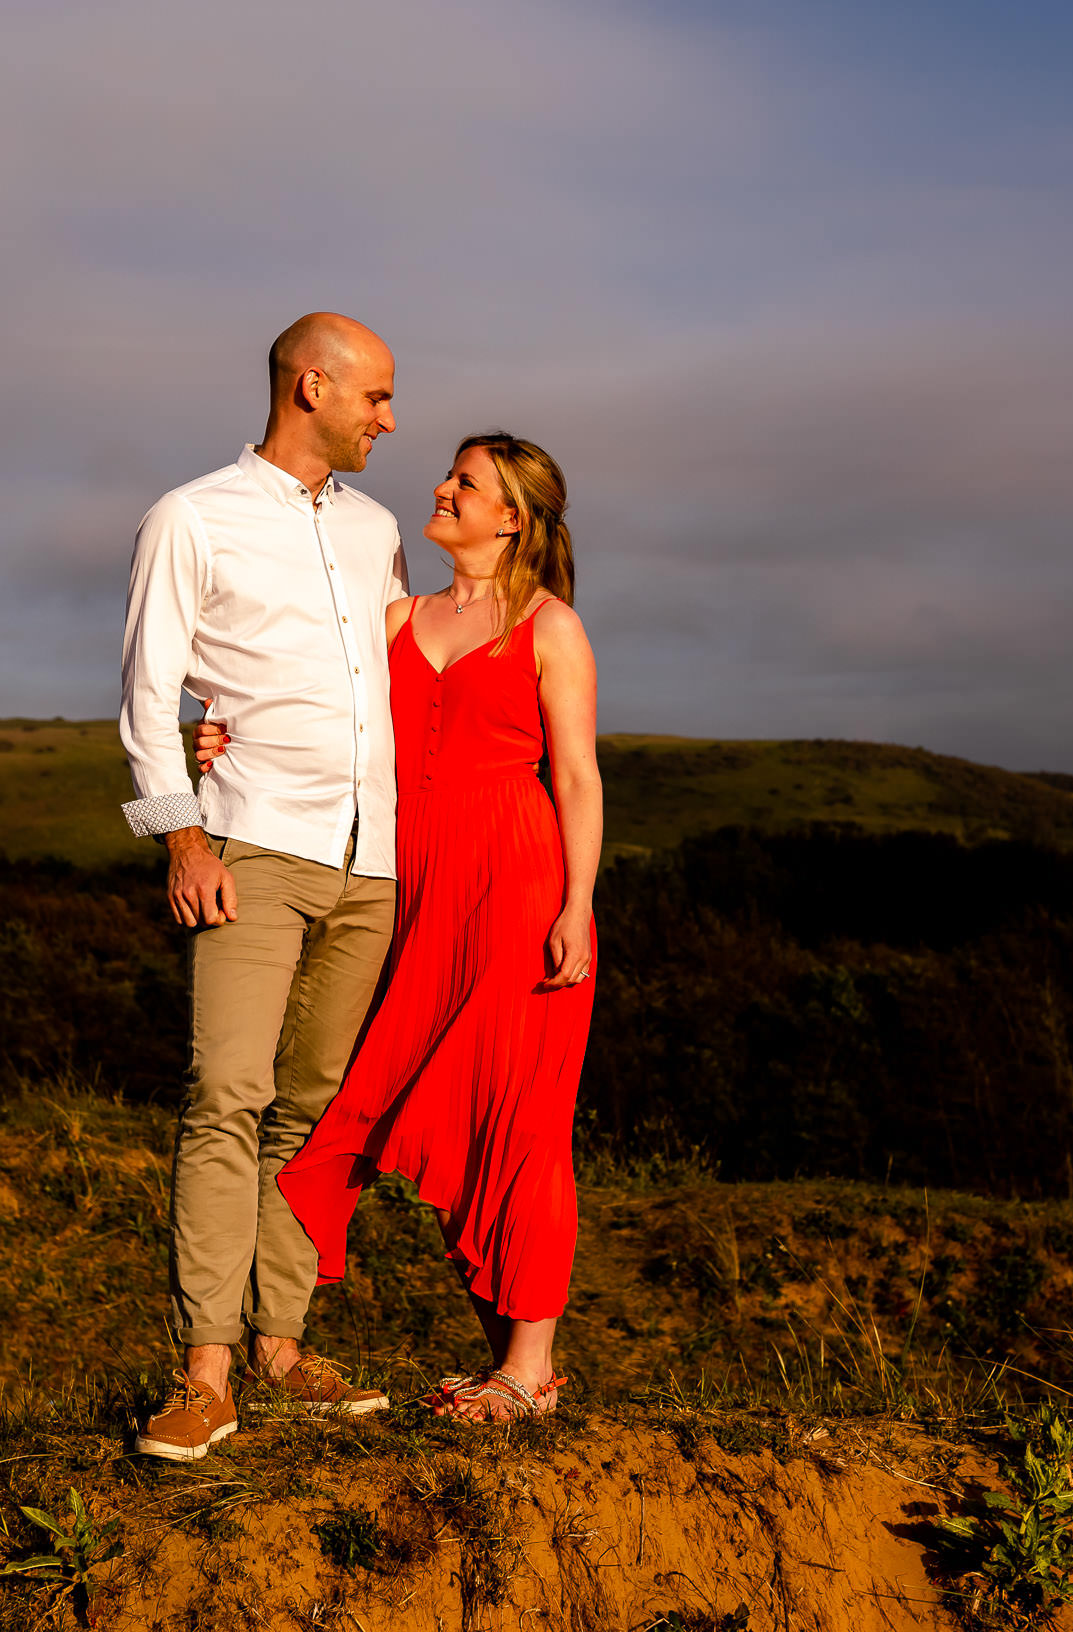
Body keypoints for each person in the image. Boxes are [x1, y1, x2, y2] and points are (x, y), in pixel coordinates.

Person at [205, 432, 602, 1423]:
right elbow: (314, 707)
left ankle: (526, 1371)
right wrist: (224, 730)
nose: (442, 488)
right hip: (408, 883)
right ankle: (310, 1343)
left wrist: (577, 906)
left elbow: (580, 777)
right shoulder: (395, 617)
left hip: (515, 883)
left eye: (464, 484)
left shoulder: (551, 627)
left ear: (510, 516)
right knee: (399, 1101)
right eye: (451, 476)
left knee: (521, 1121)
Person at [116, 313, 407, 1462]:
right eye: (376, 396)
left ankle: (285, 1348)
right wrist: (182, 838)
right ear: (313, 383)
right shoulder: (190, 518)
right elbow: (147, 693)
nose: (389, 418)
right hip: (252, 846)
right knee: (225, 1093)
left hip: (372, 863)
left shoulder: (379, 528)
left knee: (318, 1108)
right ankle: (206, 1372)